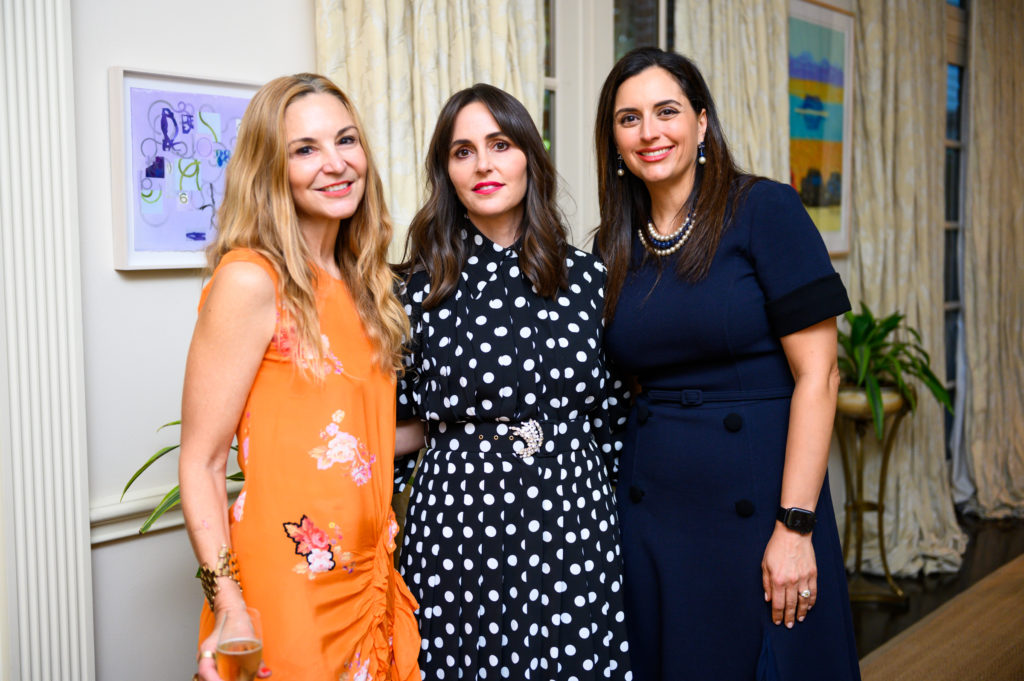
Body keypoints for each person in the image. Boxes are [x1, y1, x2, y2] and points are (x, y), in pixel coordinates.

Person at [593, 47, 860, 681]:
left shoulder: (765, 210)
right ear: (615, 140)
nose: (650, 132)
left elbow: (820, 375)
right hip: (655, 508)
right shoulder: (612, 243)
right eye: (629, 119)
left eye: (667, 111)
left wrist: (795, 527)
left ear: (702, 122)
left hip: (762, 501)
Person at [178, 73, 419, 681]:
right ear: (270, 169)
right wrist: (229, 605)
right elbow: (202, 463)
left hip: (368, 579)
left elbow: (353, 441)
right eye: (305, 149)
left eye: (346, 140)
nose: (335, 163)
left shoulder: (366, 284)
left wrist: (471, 423)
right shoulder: (251, 279)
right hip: (288, 587)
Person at [394, 83, 633, 680]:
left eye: (500, 144)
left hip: (573, 518)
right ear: (446, 173)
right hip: (457, 524)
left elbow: (614, 417)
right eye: (463, 151)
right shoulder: (415, 290)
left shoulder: (591, 280)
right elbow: (392, 422)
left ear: (530, 156)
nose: (484, 164)